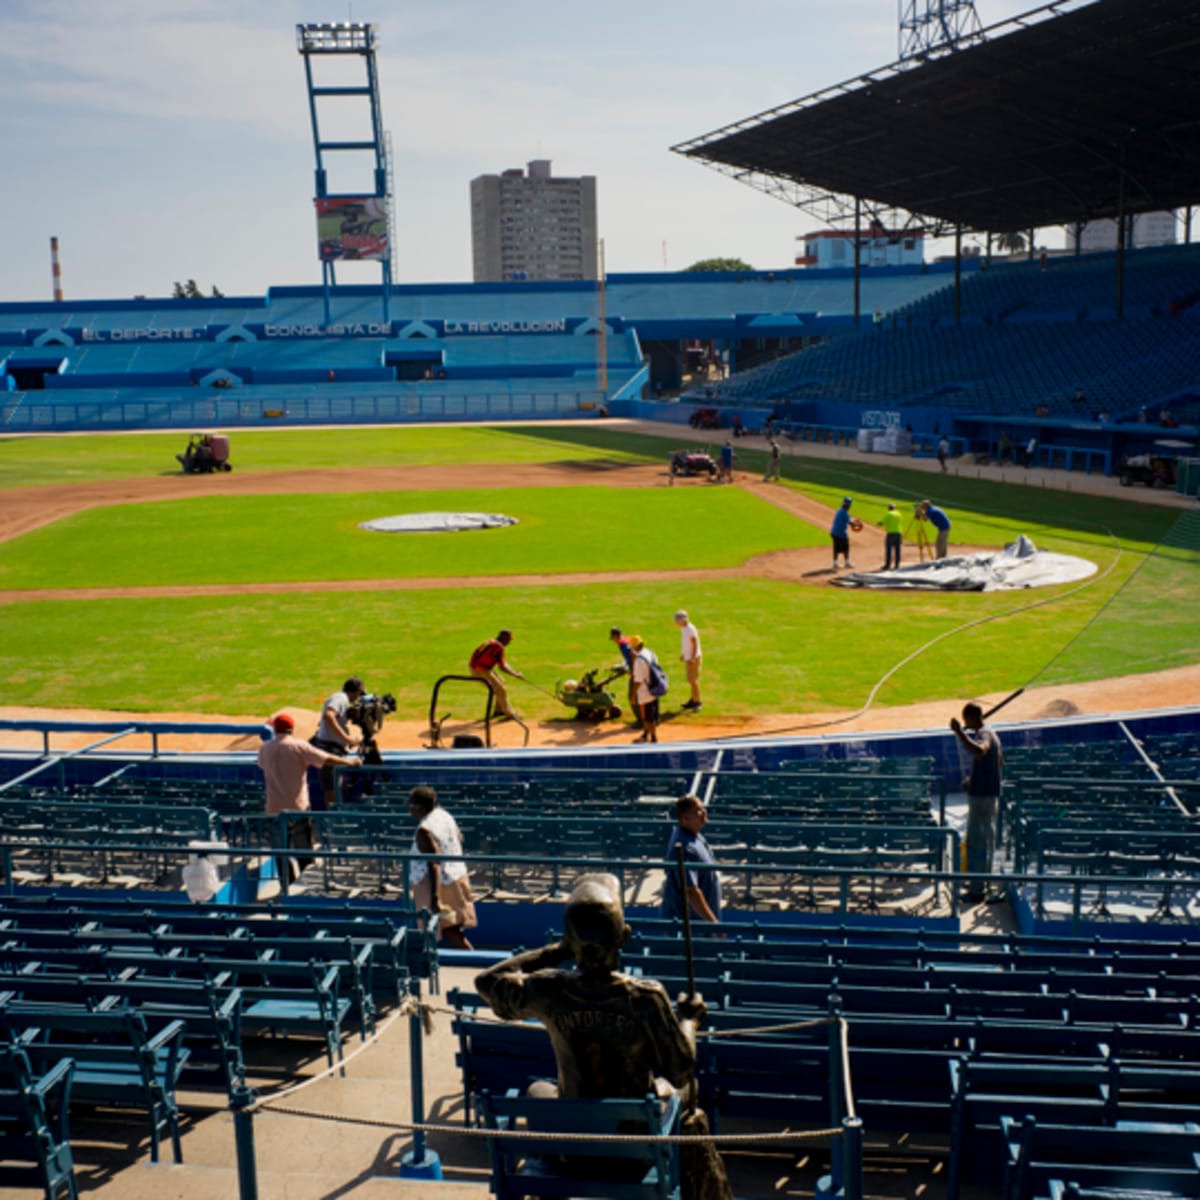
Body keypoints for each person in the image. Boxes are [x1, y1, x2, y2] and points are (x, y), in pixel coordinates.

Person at [475, 874, 733, 1198]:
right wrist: (689, 1020)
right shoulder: (645, 997)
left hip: (573, 1151)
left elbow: (487, 981)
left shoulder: (549, 989)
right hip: (634, 1153)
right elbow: (681, 1069)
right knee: (688, 1092)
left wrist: (561, 949)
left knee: (538, 1089)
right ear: (624, 937)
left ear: (569, 940)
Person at [258, 713, 357, 885]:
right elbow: (326, 759)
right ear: (292, 729)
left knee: (281, 854)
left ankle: (287, 888)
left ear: (275, 728)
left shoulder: (265, 748)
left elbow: (261, 764)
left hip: (273, 810)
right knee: (304, 852)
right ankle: (305, 887)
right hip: (298, 808)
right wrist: (349, 763)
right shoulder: (299, 746)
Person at [408, 785, 477, 949]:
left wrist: (435, 898)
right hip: (455, 875)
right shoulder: (444, 815)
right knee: (448, 928)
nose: (408, 808)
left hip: (435, 885)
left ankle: (469, 955)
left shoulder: (424, 830)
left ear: (419, 807)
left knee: (440, 927)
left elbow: (434, 863)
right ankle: (469, 954)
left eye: (410, 804)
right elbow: (459, 837)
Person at [950, 703, 1005, 903]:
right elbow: (999, 762)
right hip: (988, 794)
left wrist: (959, 733)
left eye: (965, 721)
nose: (965, 724)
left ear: (972, 718)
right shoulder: (992, 733)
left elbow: (980, 751)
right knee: (986, 841)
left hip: (982, 798)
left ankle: (977, 889)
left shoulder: (984, 734)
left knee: (976, 842)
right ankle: (983, 883)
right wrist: (974, 781)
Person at [662, 795, 721, 924]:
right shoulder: (685, 847)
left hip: (699, 922)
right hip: (690, 926)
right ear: (685, 819)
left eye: (703, 808)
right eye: (698, 811)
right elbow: (691, 892)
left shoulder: (695, 835)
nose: (704, 813)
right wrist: (713, 923)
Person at [311, 677, 364, 807]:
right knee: (331, 788)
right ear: (354, 691)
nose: (358, 698)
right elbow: (328, 716)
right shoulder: (340, 699)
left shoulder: (341, 699)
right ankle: (332, 821)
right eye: (359, 693)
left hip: (333, 747)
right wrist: (346, 738)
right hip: (329, 749)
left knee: (333, 786)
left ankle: (333, 817)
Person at [469, 629, 524, 721]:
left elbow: (503, 663)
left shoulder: (492, 642)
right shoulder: (497, 647)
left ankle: (499, 710)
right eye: (509, 640)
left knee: (501, 683)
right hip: (480, 669)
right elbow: (502, 667)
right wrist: (516, 674)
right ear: (504, 638)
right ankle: (509, 714)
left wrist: (515, 673)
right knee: (501, 690)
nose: (509, 642)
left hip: (480, 668)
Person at [628, 634, 660, 744]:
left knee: (647, 717)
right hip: (654, 688)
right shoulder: (650, 653)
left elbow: (637, 680)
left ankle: (653, 738)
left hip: (645, 692)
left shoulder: (639, 660)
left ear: (635, 647)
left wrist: (633, 696)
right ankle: (646, 734)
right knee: (652, 714)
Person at [609, 625, 639, 728]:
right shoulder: (626, 639)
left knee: (633, 696)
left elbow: (633, 655)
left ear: (615, 636)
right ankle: (647, 719)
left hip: (638, 672)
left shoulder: (622, 644)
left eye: (612, 637)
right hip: (641, 669)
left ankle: (640, 721)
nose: (612, 640)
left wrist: (634, 670)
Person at [674, 609, 702, 711]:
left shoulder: (690, 629)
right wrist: (683, 654)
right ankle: (693, 699)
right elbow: (686, 643)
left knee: (693, 680)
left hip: (693, 658)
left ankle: (698, 702)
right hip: (689, 657)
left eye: (678, 620)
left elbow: (695, 644)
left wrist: (693, 658)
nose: (676, 622)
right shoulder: (684, 628)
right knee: (690, 680)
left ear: (683, 620)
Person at [830, 496, 855, 570]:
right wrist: (857, 524)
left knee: (836, 548)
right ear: (848, 505)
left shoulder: (839, 510)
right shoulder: (845, 513)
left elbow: (848, 519)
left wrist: (852, 521)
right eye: (850, 505)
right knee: (846, 547)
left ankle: (835, 563)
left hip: (834, 532)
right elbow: (851, 523)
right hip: (841, 534)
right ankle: (847, 562)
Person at [880, 502, 903, 570]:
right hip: (899, 533)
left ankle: (888, 565)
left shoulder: (888, 514)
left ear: (889, 508)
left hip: (891, 534)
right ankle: (897, 565)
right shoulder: (899, 514)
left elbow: (882, 522)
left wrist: (879, 523)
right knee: (897, 549)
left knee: (889, 549)